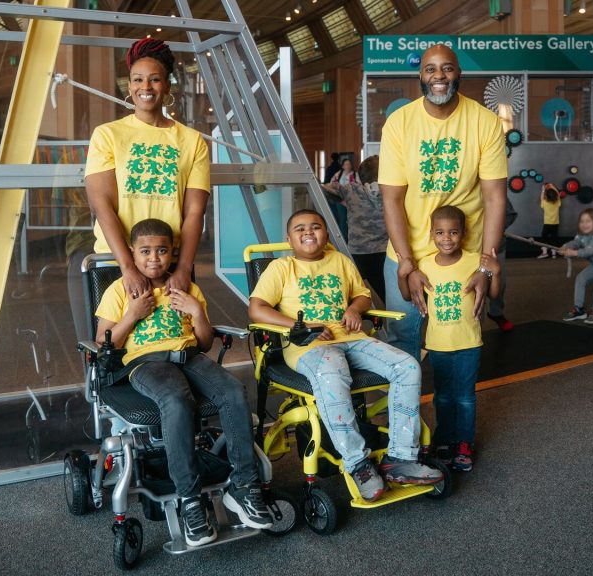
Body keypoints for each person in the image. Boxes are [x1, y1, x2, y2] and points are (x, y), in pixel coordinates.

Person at [95, 218, 274, 547]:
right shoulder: (120, 290)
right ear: (132, 255)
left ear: (172, 252)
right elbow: (103, 346)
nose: (154, 258)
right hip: (146, 363)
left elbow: (205, 343)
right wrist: (132, 315)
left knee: (233, 392)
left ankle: (243, 488)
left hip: (190, 357)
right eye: (145, 251)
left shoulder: (186, 287)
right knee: (177, 400)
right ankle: (190, 498)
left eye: (162, 250)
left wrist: (198, 314)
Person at [248, 209, 443, 502]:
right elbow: (257, 308)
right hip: (310, 346)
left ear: (326, 235)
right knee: (333, 372)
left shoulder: (339, 261)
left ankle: (400, 458)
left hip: (351, 338)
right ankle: (358, 464)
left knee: (407, 366)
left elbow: (362, 295)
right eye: (300, 229)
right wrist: (301, 326)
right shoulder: (280, 268)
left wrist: (354, 309)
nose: (308, 231)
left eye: (316, 226)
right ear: (288, 239)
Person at [380, 45, 508, 361]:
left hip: (464, 254)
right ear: (421, 76)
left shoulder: (485, 121)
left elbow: (494, 198)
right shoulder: (399, 123)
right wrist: (406, 261)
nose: (440, 76)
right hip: (407, 251)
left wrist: (485, 265)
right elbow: (392, 199)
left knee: (460, 342)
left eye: (447, 68)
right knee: (402, 341)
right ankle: (404, 410)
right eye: (431, 69)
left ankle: (454, 407)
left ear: (458, 73)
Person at [84, 37, 209, 300]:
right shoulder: (107, 135)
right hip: (117, 260)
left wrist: (184, 268)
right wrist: (128, 267)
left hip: (168, 261)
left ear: (166, 86)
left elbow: (195, 211)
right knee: (114, 339)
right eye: (138, 79)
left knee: (179, 338)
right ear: (129, 86)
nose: (146, 86)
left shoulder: (192, 140)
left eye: (154, 79)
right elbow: (102, 204)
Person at [417, 206, 501, 473]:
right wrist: (404, 270)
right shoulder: (425, 264)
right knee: (442, 396)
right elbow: (409, 293)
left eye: (453, 232)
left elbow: (495, 294)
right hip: (438, 344)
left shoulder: (476, 261)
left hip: (468, 343)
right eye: (440, 232)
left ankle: (464, 443)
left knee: (465, 397)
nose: (447, 238)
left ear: (463, 234)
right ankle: (444, 439)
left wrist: (495, 272)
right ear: (431, 234)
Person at [322, 155, 388, 303]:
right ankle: (392, 318)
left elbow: (322, 189)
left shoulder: (351, 190)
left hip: (359, 251)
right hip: (386, 250)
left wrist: (341, 200)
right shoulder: (391, 191)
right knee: (386, 292)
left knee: (353, 292)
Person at [538, 183, 561, 258]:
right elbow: (558, 194)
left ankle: (545, 253)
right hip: (555, 224)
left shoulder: (545, 202)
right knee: (554, 238)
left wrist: (543, 190)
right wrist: (553, 186)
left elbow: (542, 198)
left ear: (546, 196)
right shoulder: (557, 202)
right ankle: (554, 254)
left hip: (547, 224)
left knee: (544, 238)